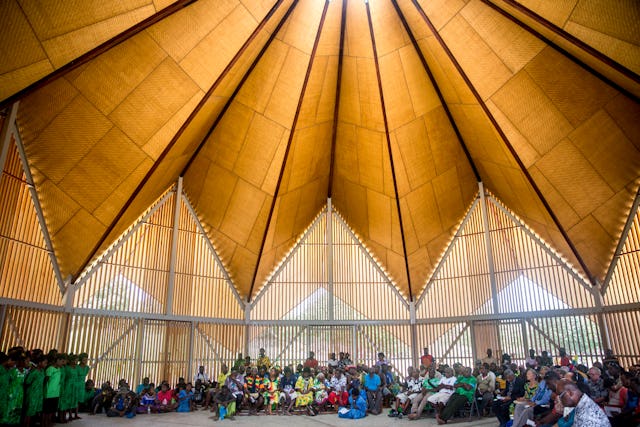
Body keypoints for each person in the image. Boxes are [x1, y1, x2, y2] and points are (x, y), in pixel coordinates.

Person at [24, 355, 47, 426]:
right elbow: (27, 382)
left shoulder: (43, 371)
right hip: (32, 393)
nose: (46, 364)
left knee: (36, 411)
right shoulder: (33, 371)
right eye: (45, 363)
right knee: (29, 412)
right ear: (39, 363)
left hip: (39, 393)